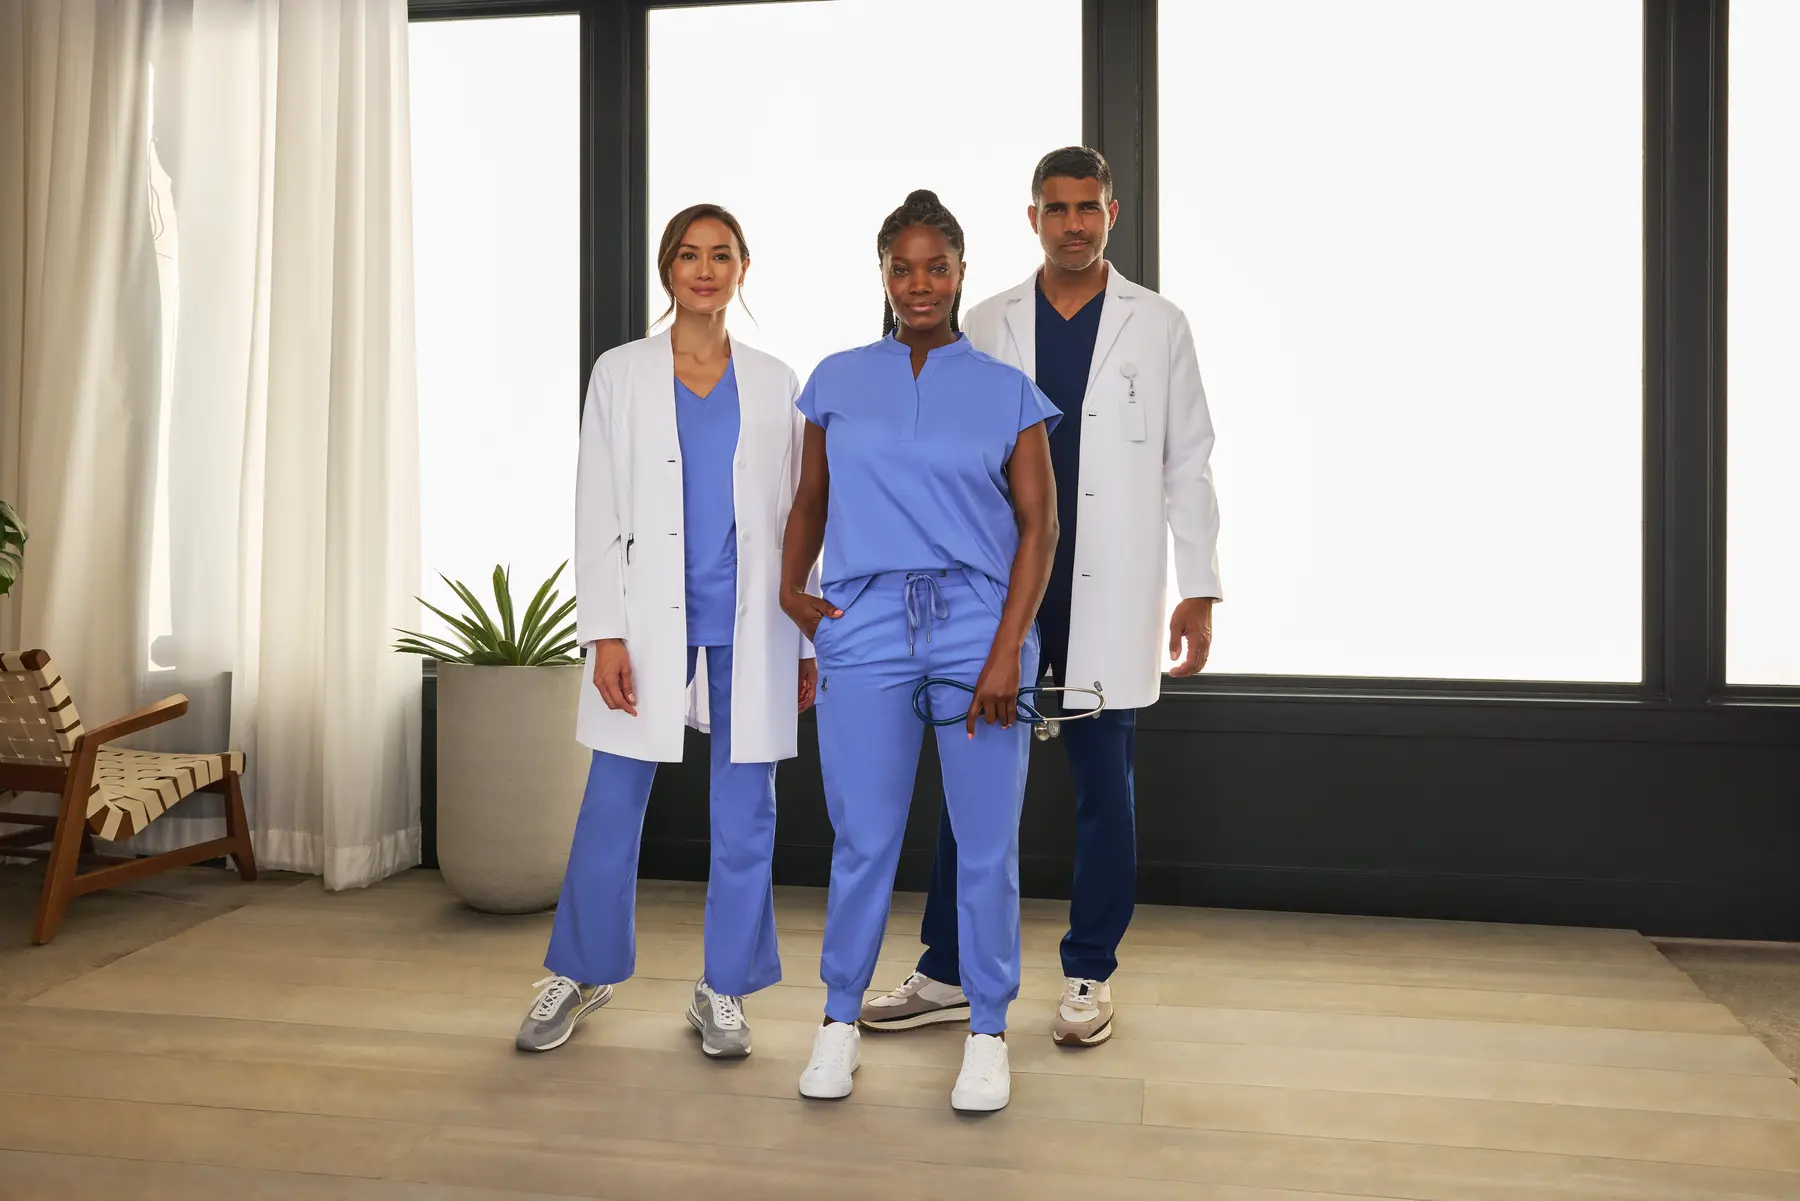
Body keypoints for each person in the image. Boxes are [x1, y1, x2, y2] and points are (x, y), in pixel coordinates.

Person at [862, 147, 1223, 1048]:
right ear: (1031, 218)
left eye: (1087, 208)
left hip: (1114, 579)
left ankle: (1089, 973)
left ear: (1111, 213)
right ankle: (945, 967)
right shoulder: (987, 320)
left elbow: (1188, 461)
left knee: (1106, 783)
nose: (1073, 223)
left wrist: (1199, 587)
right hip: (1001, 582)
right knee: (974, 785)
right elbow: (937, 455)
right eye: (1055, 208)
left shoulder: (1159, 323)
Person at [780, 190, 1059, 1112]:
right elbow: (811, 501)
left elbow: (1039, 529)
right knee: (863, 838)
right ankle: (836, 1020)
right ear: (884, 276)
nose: (920, 284)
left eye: (937, 266)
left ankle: (986, 1030)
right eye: (903, 267)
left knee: (985, 843)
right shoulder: (834, 379)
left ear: (962, 272)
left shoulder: (1006, 390)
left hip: (977, 625)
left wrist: (1007, 650)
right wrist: (793, 588)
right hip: (863, 625)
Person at [518, 204, 815, 1061]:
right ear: (667, 269)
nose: (706, 270)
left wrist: (803, 637)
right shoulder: (620, 373)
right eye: (690, 255)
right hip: (647, 617)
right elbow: (597, 506)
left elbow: (801, 514)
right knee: (614, 792)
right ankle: (581, 969)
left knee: (746, 807)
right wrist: (604, 629)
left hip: (752, 616)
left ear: (744, 269)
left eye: (723, 256)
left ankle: (723, 986)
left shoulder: (773, 379)